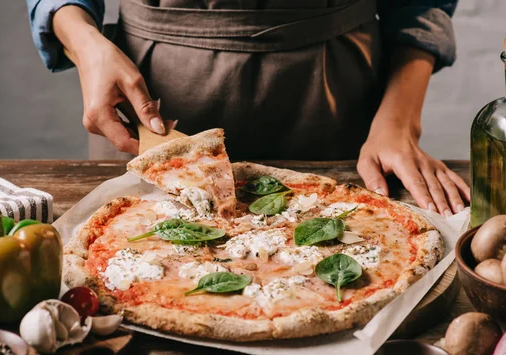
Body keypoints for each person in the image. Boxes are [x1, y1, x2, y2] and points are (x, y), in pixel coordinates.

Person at [26, 0, 469, 216]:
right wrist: (84, 44)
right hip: (152, 103)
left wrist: (400, 122)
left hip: (337, 102)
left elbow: (419, 1)